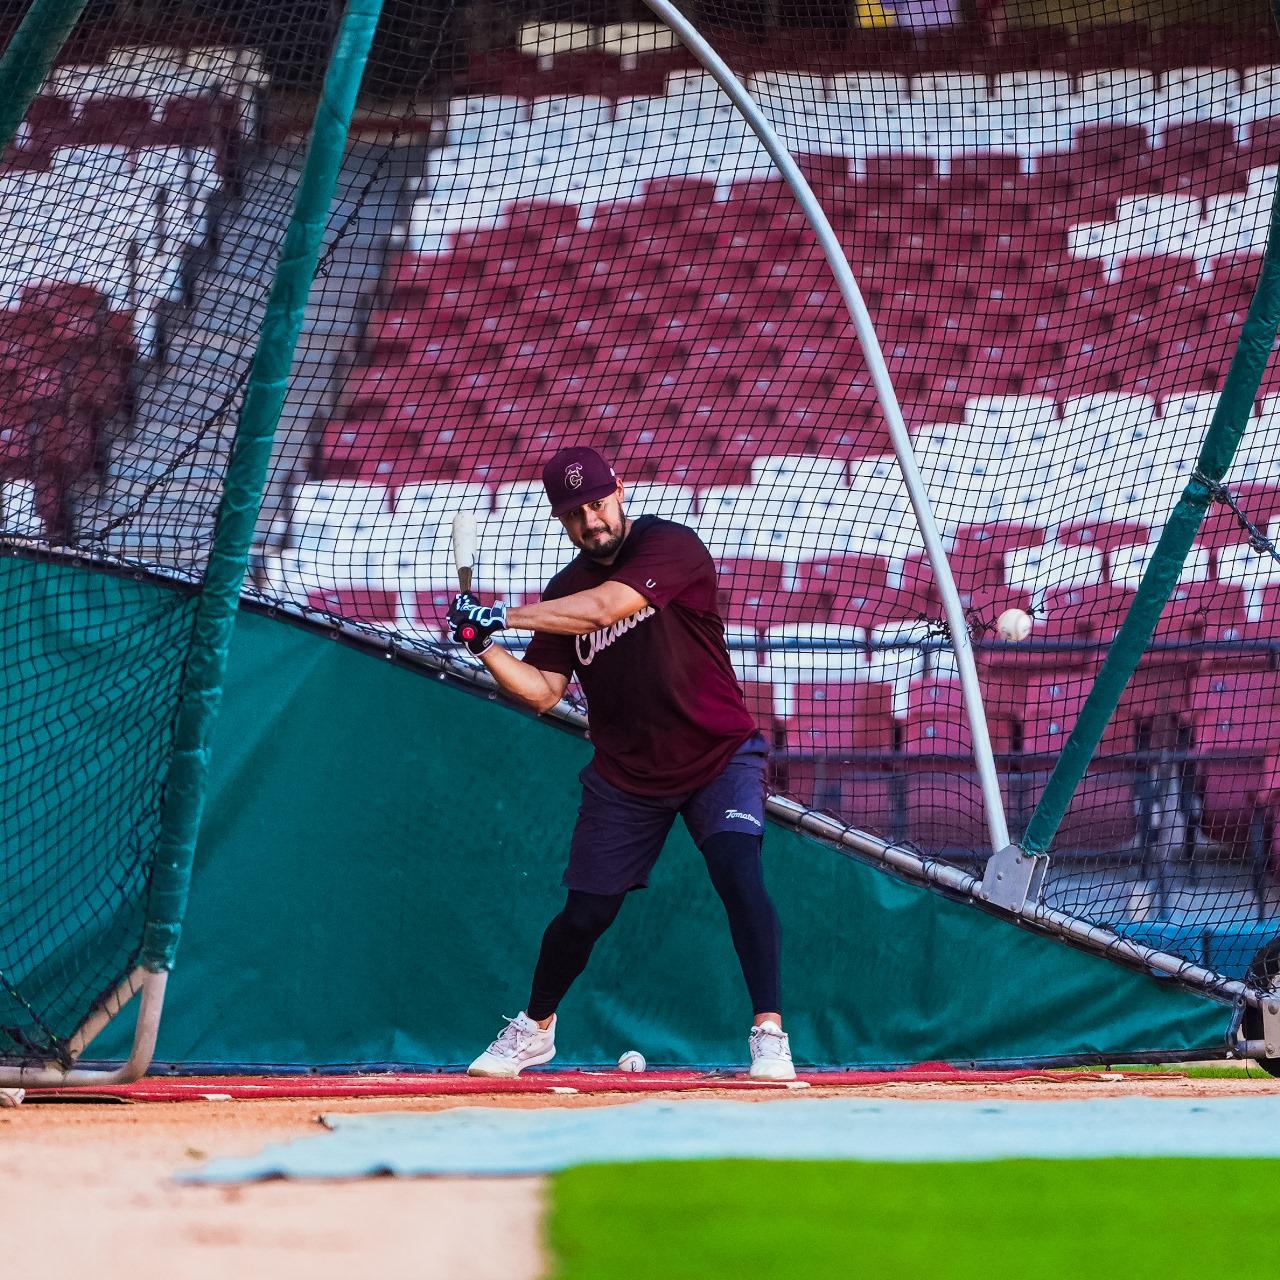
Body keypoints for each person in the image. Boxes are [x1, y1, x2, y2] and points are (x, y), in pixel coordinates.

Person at [446, 445, 795, 1081]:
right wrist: (485, 647)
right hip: (628, 775)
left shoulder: (670, 546)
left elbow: (609, 606)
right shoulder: (562, 593)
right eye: (575, 513)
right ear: (561, 520)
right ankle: (535, 1029)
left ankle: (769, 1032)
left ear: (620, 492)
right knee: (586, 914)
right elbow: (542, 692)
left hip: (717, 752)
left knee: (738, 871)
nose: (592, 521)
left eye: (599, 504)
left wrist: (501, 614)